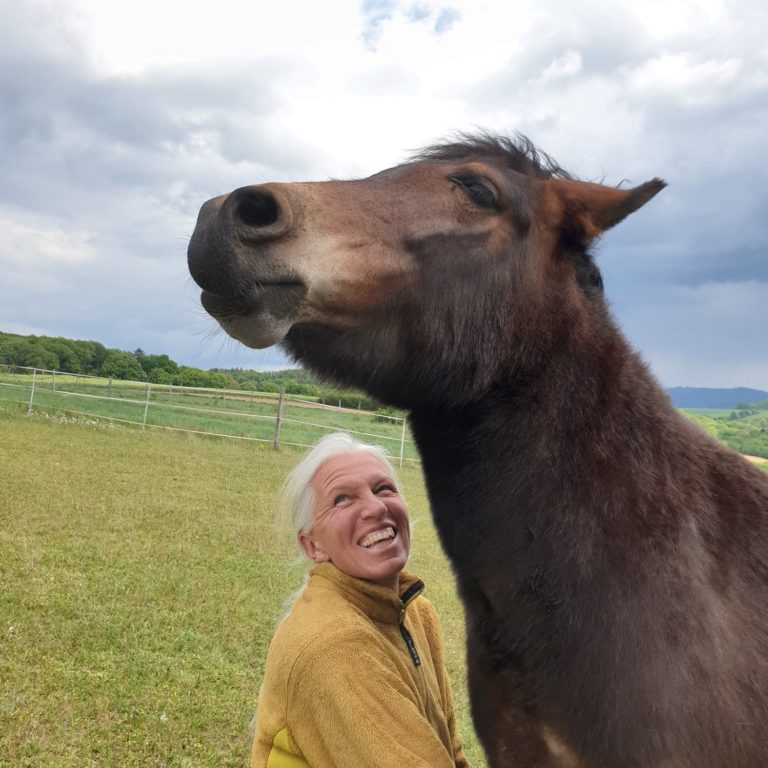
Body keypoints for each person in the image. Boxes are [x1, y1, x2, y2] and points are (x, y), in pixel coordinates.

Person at [250, 432, 470, 768]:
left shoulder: (417, 613)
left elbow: (451, 753)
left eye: (384, 488)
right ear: (313, 546)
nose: (376, 507)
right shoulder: (333, 644)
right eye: (342, 499)